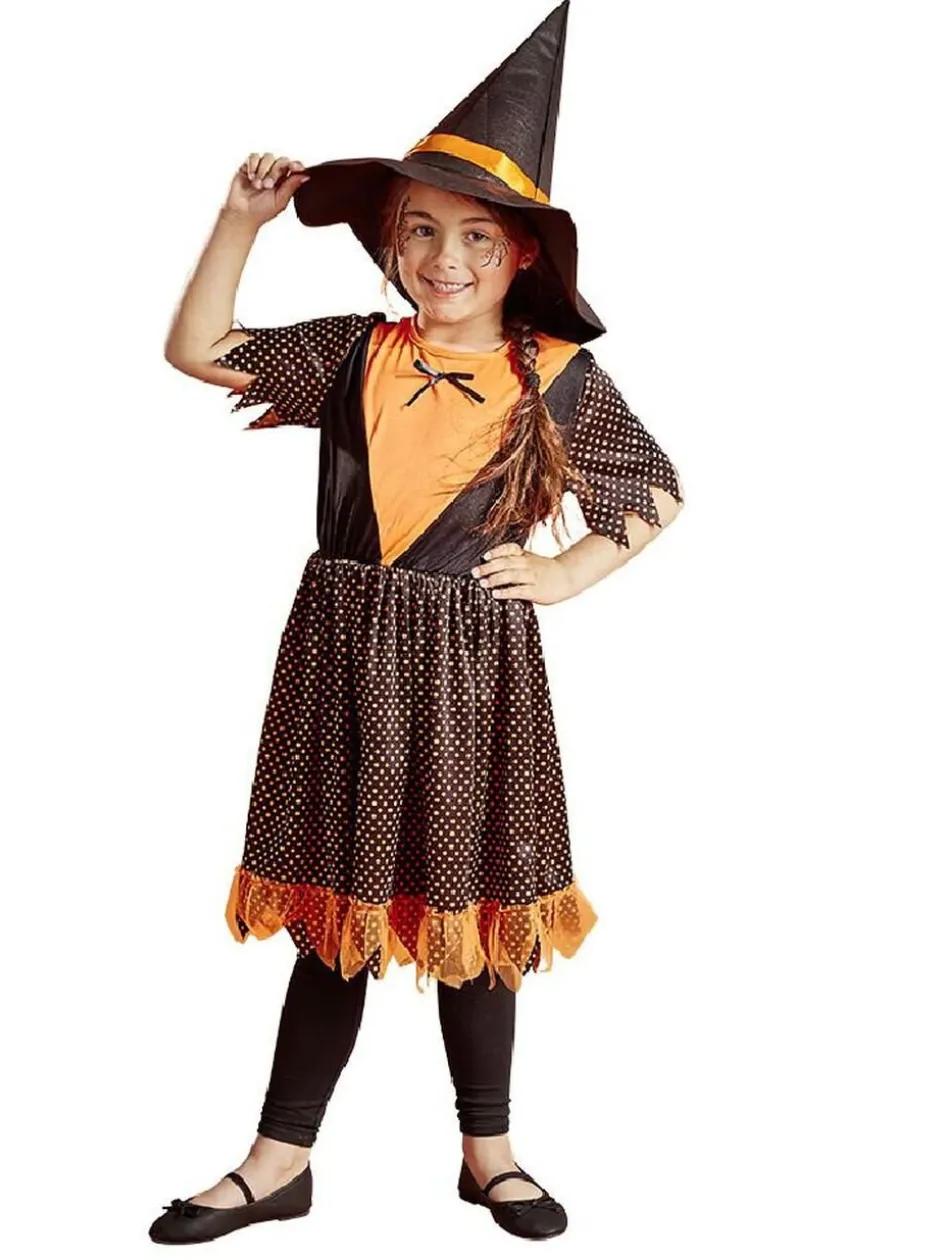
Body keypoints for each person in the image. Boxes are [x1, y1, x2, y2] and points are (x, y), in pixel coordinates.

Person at [151, 2, 683, 1244]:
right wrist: (239, 224)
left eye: (477, 236)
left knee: (477, 907)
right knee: (336, 910)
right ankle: (279, 1161)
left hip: (471, 669)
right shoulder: (355, 353)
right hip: (342, 657)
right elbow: (199, 348)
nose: (446, 258)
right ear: (391, 241)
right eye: (423, 230)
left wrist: (569, 572)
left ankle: (489, 1153)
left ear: (522, 256)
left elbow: (652, 487)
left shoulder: (556, 376)